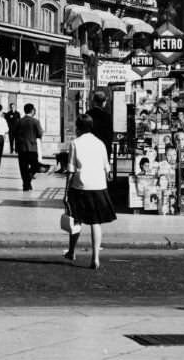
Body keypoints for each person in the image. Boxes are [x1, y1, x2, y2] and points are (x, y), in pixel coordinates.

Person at [63, 114, 116, 270]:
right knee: (95, 222)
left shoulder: (75, 143)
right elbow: (107, 168)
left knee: (76, 220)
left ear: (78, 128)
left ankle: (72, 251)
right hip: (99, 186)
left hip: (80, 186)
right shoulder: (100, 143)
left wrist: (66, 191)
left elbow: (71, 169)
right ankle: (95, 258)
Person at [14, 103, 43, 191]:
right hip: (32, 148)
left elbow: (15, 134)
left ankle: (26, 184)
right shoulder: (35, 121)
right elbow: (39, 134)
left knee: (23, 167)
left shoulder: (19, 121)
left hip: (21, 148)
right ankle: (28, 180)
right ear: (32, 110)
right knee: (35, 166)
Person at [87, 91, 113, 156]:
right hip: (103, 148)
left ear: (94, 102)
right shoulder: (107, 116)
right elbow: (109, 135)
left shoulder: (88, 114)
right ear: (103, 102)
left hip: (90, 148)